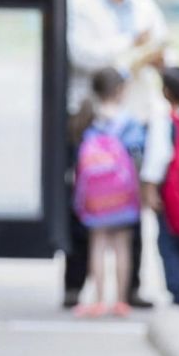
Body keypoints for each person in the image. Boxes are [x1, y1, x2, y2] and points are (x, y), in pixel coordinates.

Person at [65, 0, 169, 310]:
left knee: (131, 200)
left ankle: (130, 289)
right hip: (92, 117)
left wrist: (154, 54)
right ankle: (76, 285)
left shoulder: (144, 6)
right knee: (87, 198)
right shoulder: (79, 4)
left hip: (134, 117)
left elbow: (163, 48)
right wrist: (131, 45)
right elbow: (83, 55)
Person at [73, 68, 146, 318]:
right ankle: (121, 300)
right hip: (123, 194)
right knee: (122, 246)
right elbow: (138, 155)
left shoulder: (88, 118)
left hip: (95, 196)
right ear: (120, 91)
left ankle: (99, 299)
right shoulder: (128, 123)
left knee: (98, 244)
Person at [140, 67, 179, 309]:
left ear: (165, 91)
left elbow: (157, 158)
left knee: (168, 242)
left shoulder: (164, 122)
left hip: (170, 192)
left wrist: (150, 190)